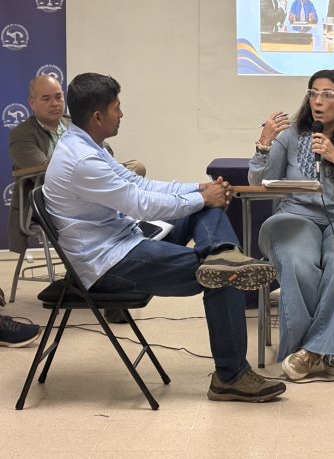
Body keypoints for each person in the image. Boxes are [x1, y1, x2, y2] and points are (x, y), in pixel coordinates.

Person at [43, 72, 286, 403]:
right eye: (116, 108)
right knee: (224, 275)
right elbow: (139, 204)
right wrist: (203, 197)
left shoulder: (87, 145)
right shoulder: (82, 160)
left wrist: (199, 189)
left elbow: (140, 184)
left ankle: (224, 252)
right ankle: (231, 377)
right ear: (98, 116)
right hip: (108, 267)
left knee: (211, 228)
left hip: (125, 242)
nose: (121, 114)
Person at [249, 69, 334, 380]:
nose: (318, 101)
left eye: (328, 94)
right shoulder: (289, 135)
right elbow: (259, 184)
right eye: (313, 93)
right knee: (296, 258)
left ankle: (310, 351)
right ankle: (326, 348)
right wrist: (264, 145)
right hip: (296, 214)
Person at [8, 75, 145, 255]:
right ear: (32, 103)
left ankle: (128, 233)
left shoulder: (72, 122)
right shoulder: (21, 133)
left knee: (136, 167)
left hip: (87, 184)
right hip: (55, 198)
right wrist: (78, 160)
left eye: (58, 97)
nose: (54, 103)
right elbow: (44, 169)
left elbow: (104, 149)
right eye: (46, 99)